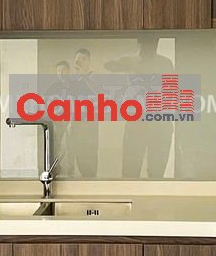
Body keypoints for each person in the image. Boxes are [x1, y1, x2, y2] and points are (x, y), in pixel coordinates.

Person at [105, 38, 174, 179]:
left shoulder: (164, 63)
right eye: (146, 45)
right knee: (131, 171)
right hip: (140, 122)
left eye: (151, 44)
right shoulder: (134, 61)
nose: (148, 48)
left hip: (158, 123)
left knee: (154, 172)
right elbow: (109, 65)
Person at [67, 48, 99, 177]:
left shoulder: (93, 76)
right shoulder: (73, 81)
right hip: (77, 123)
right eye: (77, 59)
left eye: (83, 59)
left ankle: (91, 181)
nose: (79, 61)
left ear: (89, 61)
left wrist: (83, 75)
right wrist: (70, 122)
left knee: (90, 155)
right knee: (79, 155)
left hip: (90, 123)